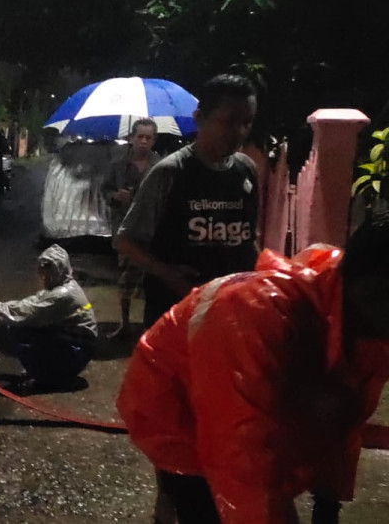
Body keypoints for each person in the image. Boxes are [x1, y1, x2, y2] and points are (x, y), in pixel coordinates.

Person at [116, 216, 389, 524]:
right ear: (375, 291)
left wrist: (327, 505)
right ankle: (173, 501)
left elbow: (347, 417)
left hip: (261, 401)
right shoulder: (252, 317)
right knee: (204, 499)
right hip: (178, 411)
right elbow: (244, 463)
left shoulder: (368, 323)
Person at [115, 74, 260, 328]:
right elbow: (125, 242)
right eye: (229, 121)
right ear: (199, 118)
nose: (239, 132)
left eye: (246, 123)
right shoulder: (170, 172)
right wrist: (171, 277)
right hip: (175, 319)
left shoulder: (246, 171)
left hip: (228, 317)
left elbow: (248, 241)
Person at [0, 244, 98, 393]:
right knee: (26, 326)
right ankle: (50, 370)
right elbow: (28, 304)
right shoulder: (65, 285)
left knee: (19, 330)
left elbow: (22, 311)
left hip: (78, 349)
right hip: (76, 341)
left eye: (47, 275)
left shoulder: (62, 295)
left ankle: (48, 378)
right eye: (42, 275)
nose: (44, 279)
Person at [102, 118, 161, 339]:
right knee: (126, 279)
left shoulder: (161, 165)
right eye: (140, 136)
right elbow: (105, 190)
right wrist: (115, 196)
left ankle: (151, 327)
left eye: (148, 137)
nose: (144, 141)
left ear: (153, 140)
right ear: (132, 138)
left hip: (152, 231)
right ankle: (125, 324)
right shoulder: (118, 165)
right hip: (126, 230)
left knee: (152, 282)